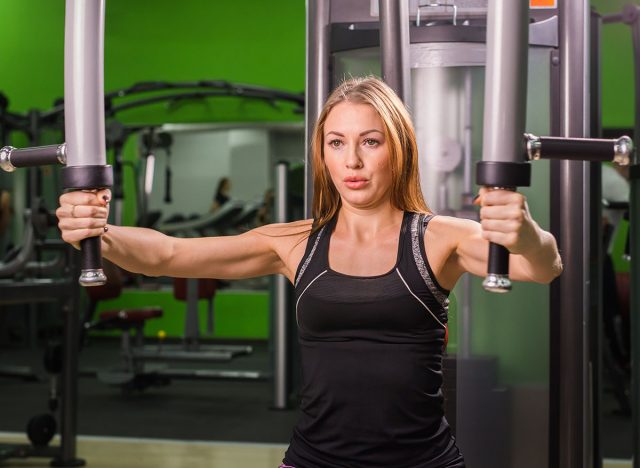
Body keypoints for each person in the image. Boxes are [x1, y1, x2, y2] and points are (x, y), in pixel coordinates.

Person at [57, 76, 562, 468]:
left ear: (399, 148)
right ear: (322, 154)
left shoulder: (439, 237)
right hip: (314, 458)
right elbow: (168, 254)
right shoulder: (295, 243)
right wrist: (99, 234)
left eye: (370, 141)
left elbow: (542, 266)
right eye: (337, 143)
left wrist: (522, 232)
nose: (353, 162)